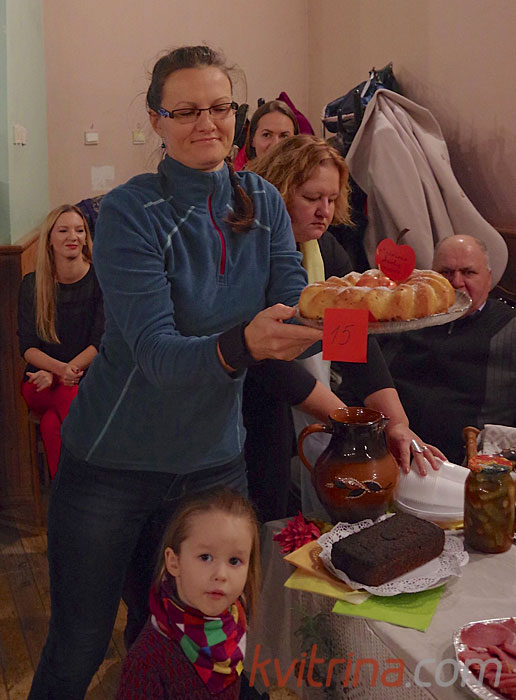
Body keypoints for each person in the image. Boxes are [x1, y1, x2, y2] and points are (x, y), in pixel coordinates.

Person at [28, 45, 323, 700]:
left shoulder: (264, 203)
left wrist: (355, 314)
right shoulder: (129, 210)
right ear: (155, 120)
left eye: (220, 107)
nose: (207, 123)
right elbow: (158, 355)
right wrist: (247, 342)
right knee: (79, 646)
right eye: (186, 111)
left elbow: (297, 314)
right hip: (111, 466)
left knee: (204, 640)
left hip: (212, 463)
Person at [246, 135, 443, 515]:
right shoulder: (248, 253)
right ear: (277, 193)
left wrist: (396, 423)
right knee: (268, 512)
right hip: (253, 408)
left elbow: (355, 341)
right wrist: (357, 424)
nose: (324, 211)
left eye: (332, 199)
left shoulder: (326, 249)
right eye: (311, 198)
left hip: (306, 398)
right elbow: (268, 361)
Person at [381, 234, 516, 465]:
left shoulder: (510, 328)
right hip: (389, 452)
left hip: (470, 467)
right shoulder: (406, 318)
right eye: (446, 272)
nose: (456, 282)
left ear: (488, 278)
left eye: (468, 272)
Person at [116, 488, 260, 700]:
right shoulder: (147, 663)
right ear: (174, 562)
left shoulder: (234, 619)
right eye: (205, 557)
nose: (221, 575)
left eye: (234, 561)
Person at [17, 204, 104, 478]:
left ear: (86, 237)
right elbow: (27, 348)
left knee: (52, 424)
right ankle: (92, 482)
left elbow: (99, 343)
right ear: (49, 239)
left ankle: (64, 493)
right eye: (63, 230)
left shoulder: (100, 280)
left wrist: (61, 375)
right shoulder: (32, 284)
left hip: (85, 380)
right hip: (39, 382)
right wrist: (59, 372)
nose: (73, 237)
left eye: (79, 230)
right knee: (70, 395)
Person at [233, 99, 299, 170]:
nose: (275, 144)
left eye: (284, 136)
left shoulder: (306, 174)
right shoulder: (239, 175)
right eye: (266, 135)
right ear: (253, 140)